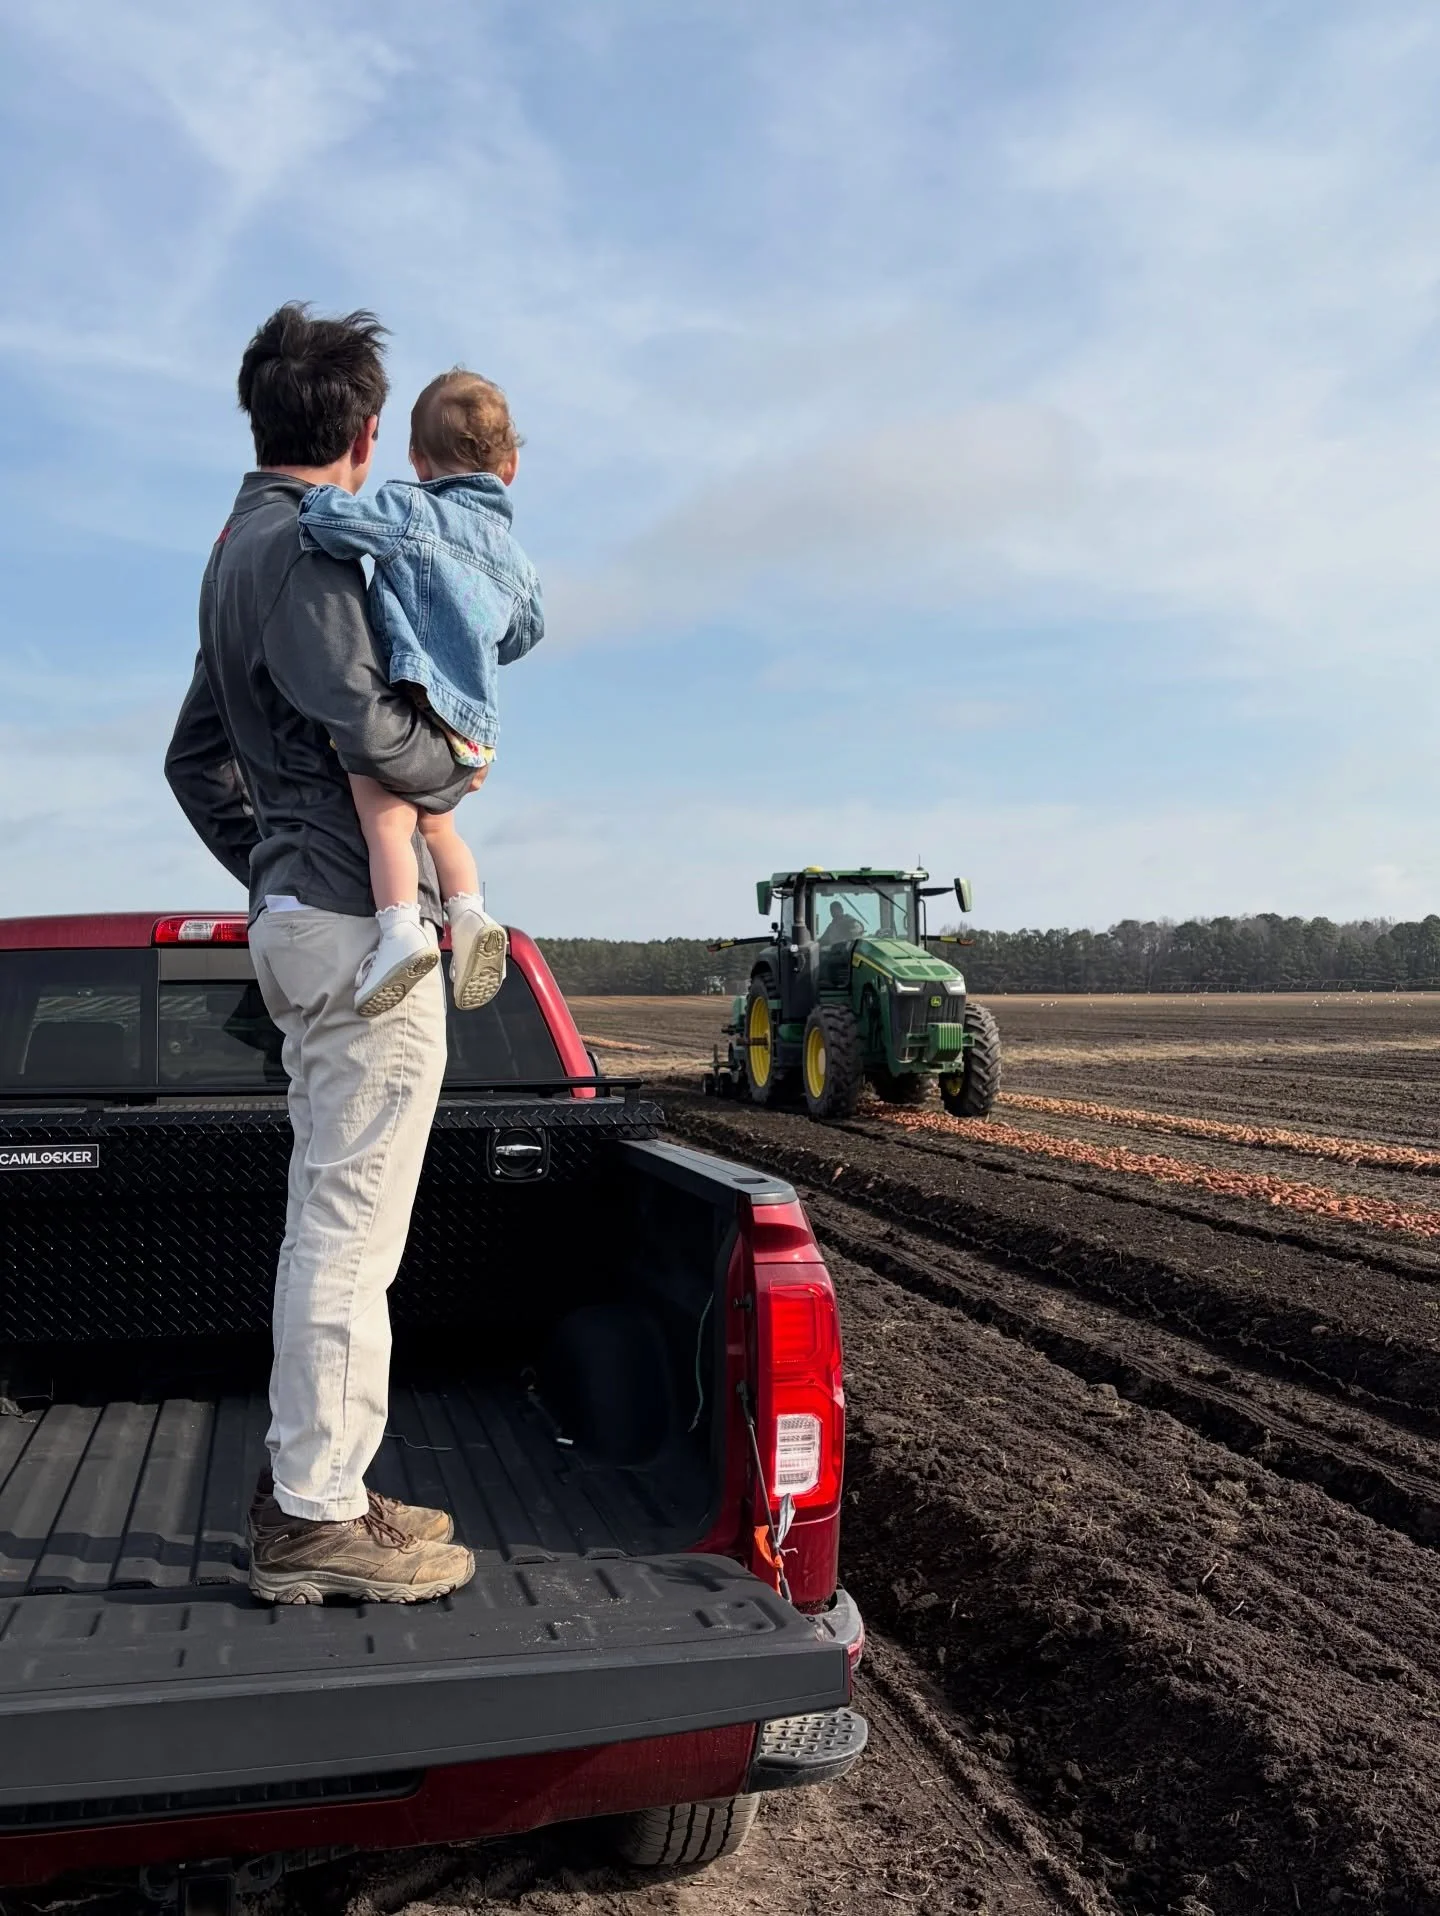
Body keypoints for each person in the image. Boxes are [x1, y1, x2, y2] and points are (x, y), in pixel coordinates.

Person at [165, 302, 478, 1604]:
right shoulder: (304, 546)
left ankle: (325, 1482)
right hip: (359, 930)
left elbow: (194, 760)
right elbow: (364, 720)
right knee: (349, 1237)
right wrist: (455, 763)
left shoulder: (232, 550)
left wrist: (274, 871)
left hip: (310, 916)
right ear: (364, 436)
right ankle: (312, 1515)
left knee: (332, 1223)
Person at [297, 369, 543, 1017]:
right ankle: (470, 914)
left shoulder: (412, 511)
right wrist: (477, 642)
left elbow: (335, 525)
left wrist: (311, 502)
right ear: (510, 467)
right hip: (475, 732)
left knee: (387, 820)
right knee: (439, 826)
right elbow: (525, 631)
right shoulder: (517, 561)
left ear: (416, 458)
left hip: (414, 701)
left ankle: (401, 931)